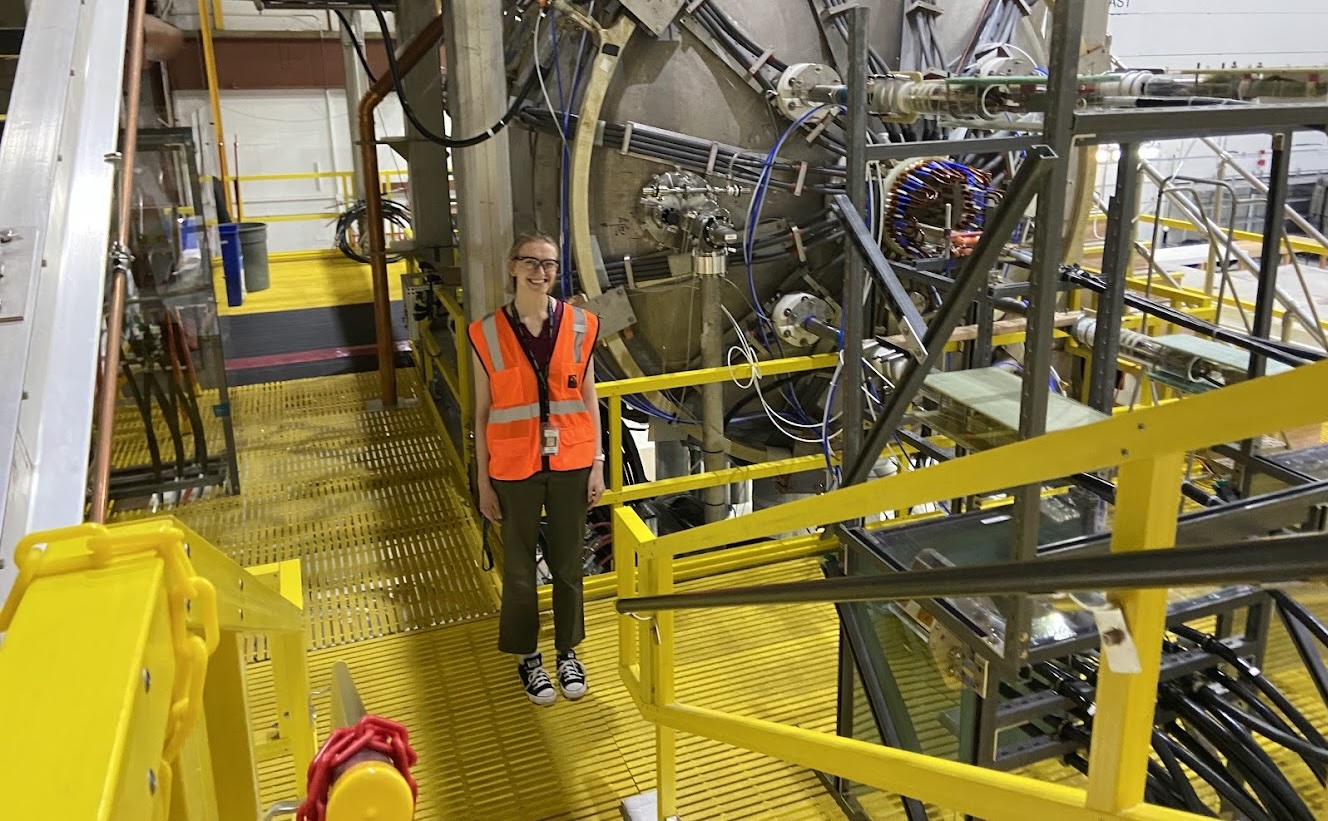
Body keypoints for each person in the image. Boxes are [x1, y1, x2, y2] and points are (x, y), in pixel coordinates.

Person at [468, 230, 605, 705]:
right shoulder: (485, 333)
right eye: (530, 261)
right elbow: (482, 412)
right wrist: (482, 482)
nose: (540, 271)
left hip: (571, 459)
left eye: (549, 264)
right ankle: (529, 658)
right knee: (521, 571)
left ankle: (568, 651)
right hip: (512, 467)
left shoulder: (582, 325)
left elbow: (589, 397)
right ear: (512, 267)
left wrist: (598, 464)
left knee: (570, 564)